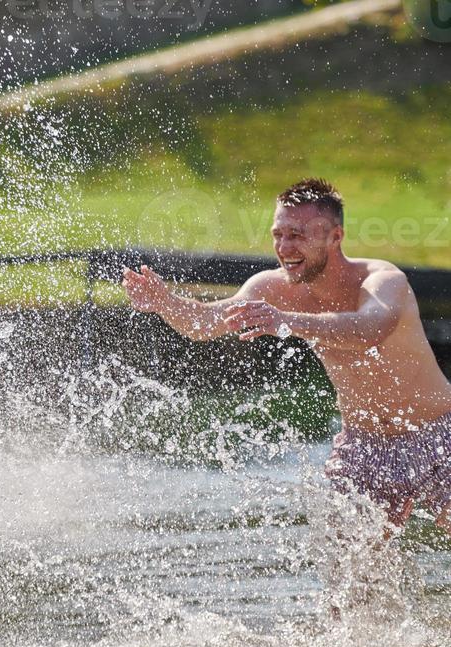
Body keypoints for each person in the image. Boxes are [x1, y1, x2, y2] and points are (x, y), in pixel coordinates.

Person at [123, 178, 451, 590]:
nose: (285, 247)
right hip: (363, 447)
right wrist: (165, 302)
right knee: (347, 580)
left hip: (438, 434)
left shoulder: (384, 281)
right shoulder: (272, 288)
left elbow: (371, 327)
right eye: (279, 234)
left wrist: (289, 322)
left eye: (297, 235)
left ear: (335, 237)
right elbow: (206, 323)